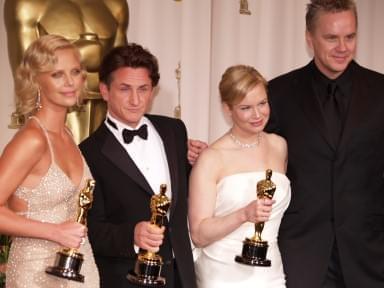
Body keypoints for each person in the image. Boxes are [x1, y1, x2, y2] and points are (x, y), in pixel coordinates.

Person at [188, 1, 384, 287]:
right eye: (331, 37)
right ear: (309, 38)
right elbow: (248, 146)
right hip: (301, 257)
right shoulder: (278, 93)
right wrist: (196, 157)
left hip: (370, 257)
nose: (343, 47)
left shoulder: (381, 92)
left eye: (350, 37)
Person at [79, 43, 196, 288]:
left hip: (180, 275)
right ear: (104, 90)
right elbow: (90, 230)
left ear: (153, 90)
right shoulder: (88, 152)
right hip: (127, 279)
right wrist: (131, 235)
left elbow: (184, 196)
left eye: (143, 89)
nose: (135, 100)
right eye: (125, 89)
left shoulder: (174, 130)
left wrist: (200, 163)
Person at [0, 35, 99, 287]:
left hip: (80, 268)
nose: (69, 82)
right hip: (36, 273)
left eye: (75, 72)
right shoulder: (32, 140)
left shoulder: (66, 134)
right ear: (36, 80)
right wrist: (54, 232)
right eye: (57, 74)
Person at [188, 65, 291, 288]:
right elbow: (198, 234)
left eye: (262, 103)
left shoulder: (279, 146)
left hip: (270, 273)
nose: (257, 115)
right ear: (227, 109)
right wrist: (244, 214)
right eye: (246, 108)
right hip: (223, 274)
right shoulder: (211, 158)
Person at [4, 0, 129, 143]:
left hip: (106, 114)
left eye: (75, 71)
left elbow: (121, 74)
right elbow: (27, 73)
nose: (70, 79)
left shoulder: (115, 4)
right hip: (54, 114)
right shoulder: (27, 4)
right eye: (59, 74)